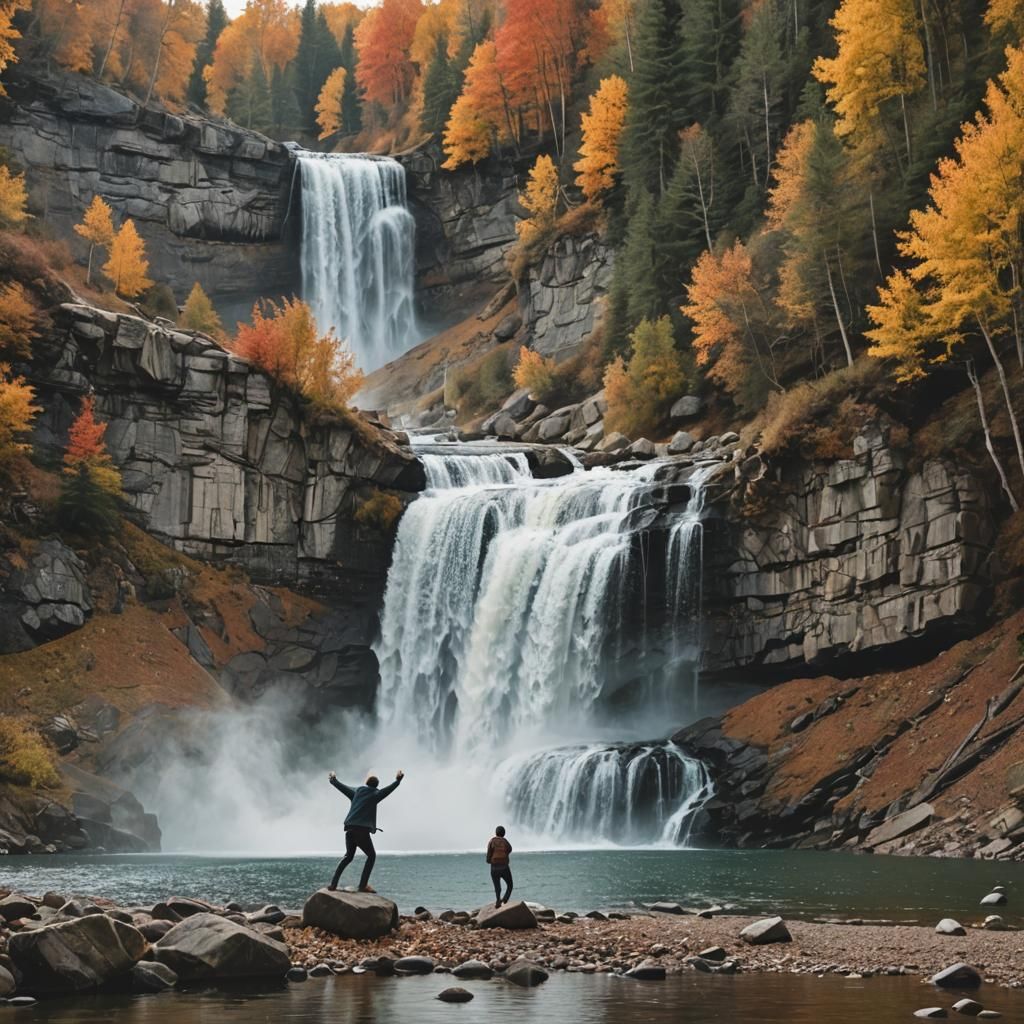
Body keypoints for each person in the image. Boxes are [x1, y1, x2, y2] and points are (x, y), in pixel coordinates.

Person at [327, 769, 404, 893]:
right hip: (361, 831)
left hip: (350, 828)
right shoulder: (376, 794)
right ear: (376, 786)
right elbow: (389, 789)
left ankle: (333, 885)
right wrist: (398, 780)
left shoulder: (356, 791)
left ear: (366, 783)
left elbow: (341, 786)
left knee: (348, 856)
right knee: (371, 856)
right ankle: (363, 885)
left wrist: (333, 779)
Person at [486, 824, 513, 908]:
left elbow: (488, 854)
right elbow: (510, 849)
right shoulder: (505, 841)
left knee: (497, 887)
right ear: (504, 833)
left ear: (496, 833)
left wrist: (489, 861)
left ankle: (498, 901)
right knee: (510, 885)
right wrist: (505, 855)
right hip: (504, 866)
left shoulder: (491, 841)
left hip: (494, 867)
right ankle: (504, 899)